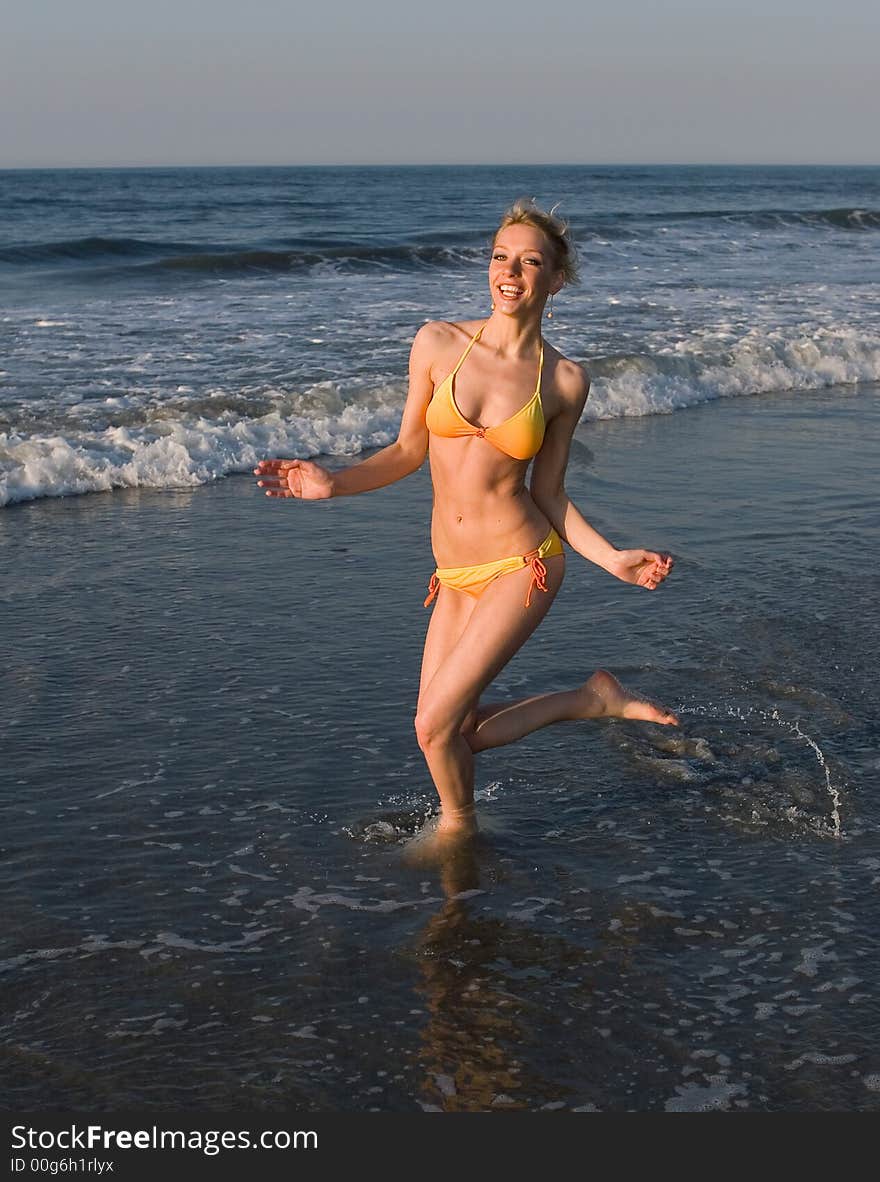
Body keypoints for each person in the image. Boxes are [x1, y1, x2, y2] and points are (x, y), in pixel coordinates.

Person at [255, 198, 677, 848]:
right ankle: (589, 700)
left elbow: (553, 494)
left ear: (556, 279)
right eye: (500, 256)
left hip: (523, 563)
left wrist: (612, 557)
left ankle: (458, 831)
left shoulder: (563, 381)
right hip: (453, 573)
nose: (510, 271)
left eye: (530, 261)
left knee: (432, 728)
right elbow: (406, 452)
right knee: (452, 729)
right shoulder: (438, 341)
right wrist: (334, 483)